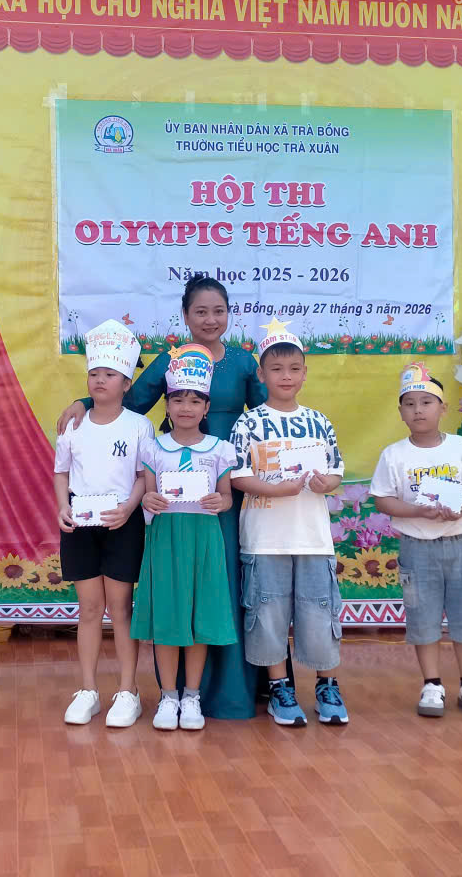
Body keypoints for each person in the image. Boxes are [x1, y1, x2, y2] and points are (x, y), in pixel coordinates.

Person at [56, 276, 267, 719]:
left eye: (218, 311)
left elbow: (266, 414)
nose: (210, 319)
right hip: (173, 495)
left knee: (221, 583)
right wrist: (84, 401)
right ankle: (173, 693)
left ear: (229, 314)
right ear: (185, 315)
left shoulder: (244, 363)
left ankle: (230, 690)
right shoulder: (168, 360)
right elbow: (128, 399)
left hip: (222, 490)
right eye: (200, 311)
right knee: (177, 583)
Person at [229, 318, 347, 727]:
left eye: (294, 368)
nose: (286, 376)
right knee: (268, 615)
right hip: (265, 539)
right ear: (261, 375)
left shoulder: (319, 421)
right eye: (276, 369)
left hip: (313, 538)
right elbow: (238, 475)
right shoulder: (248, 423)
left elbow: (335, 472)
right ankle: (279, 688)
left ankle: (327, 686)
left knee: (319, 614)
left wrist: (325, 483)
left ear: (305, 373)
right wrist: (276, 489)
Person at [370, 363, 462, 718]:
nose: (418, 410)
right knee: (422, 615)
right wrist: (417, 511)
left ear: (443, 408)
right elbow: (383, 499)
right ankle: (432, 684)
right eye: (410, 404)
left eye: (426, 402)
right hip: (417, 546)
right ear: (400, 412)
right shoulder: (394, 454)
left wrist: (461, 509)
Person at [132, 345, 239, 731]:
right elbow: (147, 494)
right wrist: (148, 499)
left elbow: (227, 498)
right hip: (166, 538)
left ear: (206, 408)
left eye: (195, 401)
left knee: (199, 614)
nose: (186, 407)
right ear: (167, 405)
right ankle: (168, 695)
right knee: (168, 615)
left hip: (204, 539)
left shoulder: (220, 450)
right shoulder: (153, 447)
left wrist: (220, 501)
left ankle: (192, 695)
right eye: (177, 399)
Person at [53, 319, 153, 727]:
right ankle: (88, 690)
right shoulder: (73, 425)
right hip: (81, 525)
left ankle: (128, 691)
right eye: (94, 373)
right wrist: (63, 507)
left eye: (110, 374)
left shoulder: (139, 425)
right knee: (90, 608)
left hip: (121, 524)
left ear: (126, 383)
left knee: (121, 608)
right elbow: (61, 472)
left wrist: (128, 509)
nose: (100, 380)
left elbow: (144, 476)